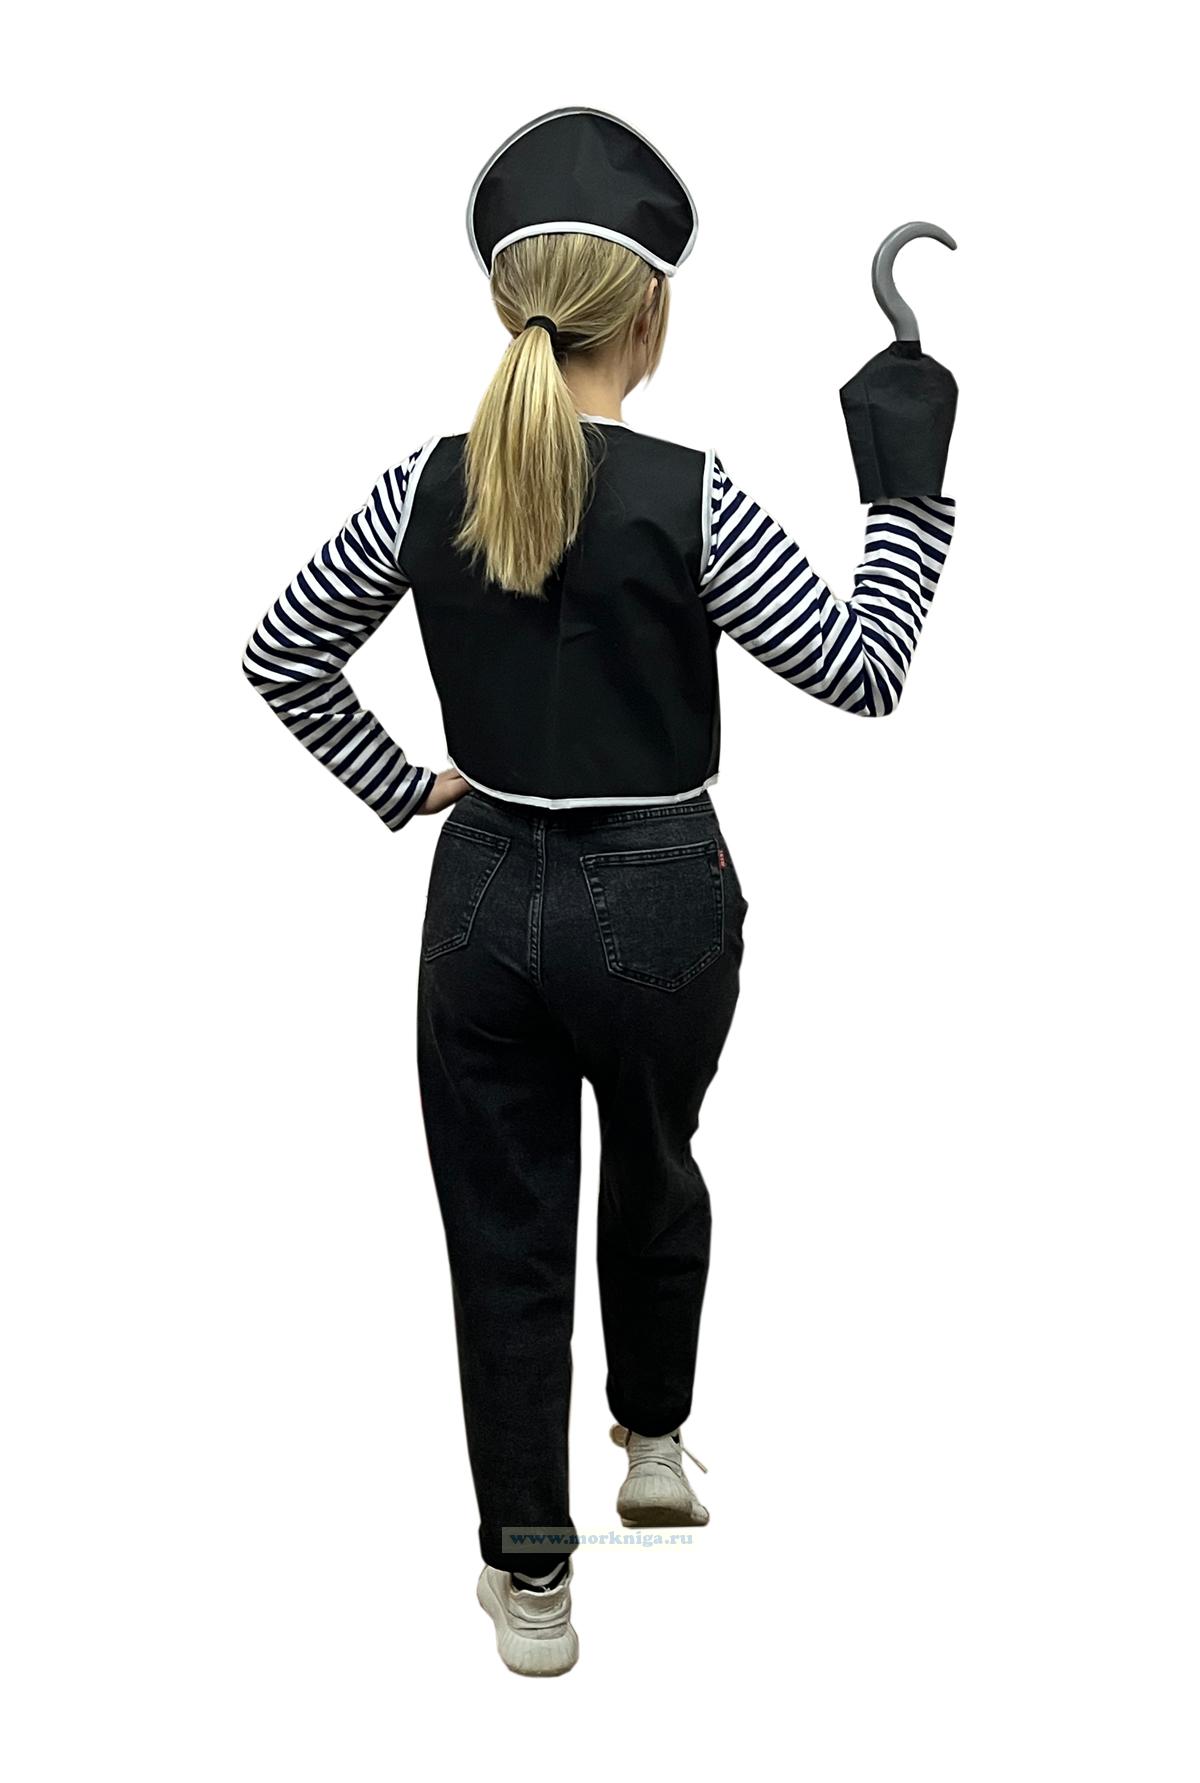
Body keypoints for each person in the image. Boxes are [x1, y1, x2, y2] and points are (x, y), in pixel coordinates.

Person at [241, 106, 957, 1678]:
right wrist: (908, 492)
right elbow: (862, 669)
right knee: (654, 1161)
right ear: (651, 314)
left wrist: (401, 783)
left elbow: (283, 651)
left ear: (511, 307)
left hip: (482, 891)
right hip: (662, 893)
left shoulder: (420, 485)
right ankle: (653, 1441)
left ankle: (532, 1576)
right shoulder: (695, 498)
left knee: (503, 1235)